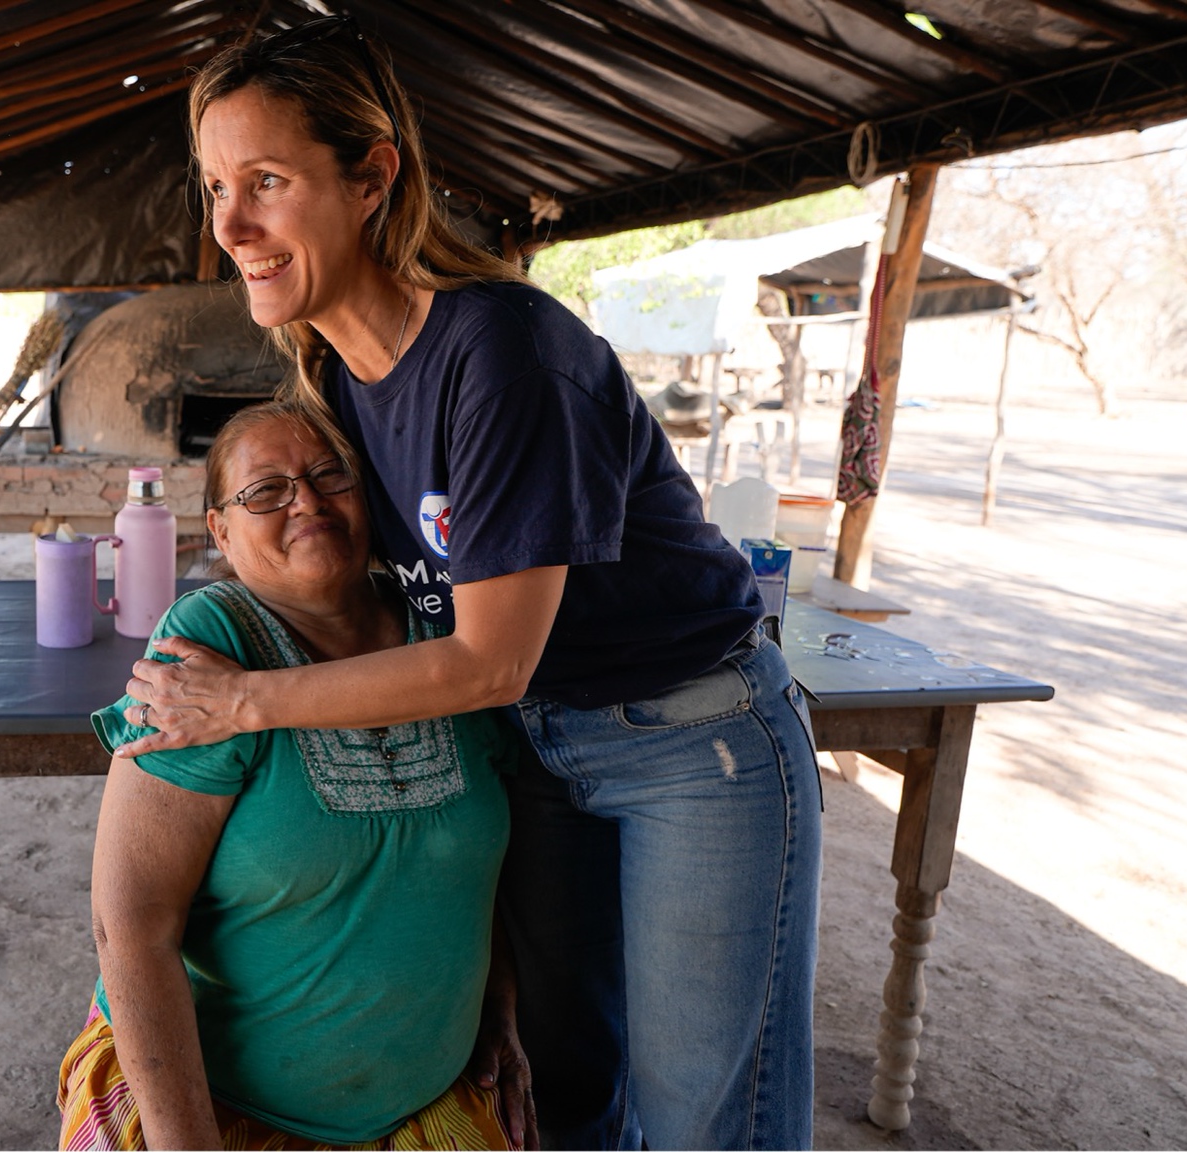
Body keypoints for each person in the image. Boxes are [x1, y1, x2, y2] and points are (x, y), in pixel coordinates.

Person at [116, 19, 823, 1151]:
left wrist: (240, 703)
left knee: (704, 1119)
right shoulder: (335, 376)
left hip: (690, 743)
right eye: (213, 188)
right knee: (561, 1089)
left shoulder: (500, 354)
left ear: (370, 176)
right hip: (533, 749)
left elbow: (488, 655)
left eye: (264, 181)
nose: (229, 227)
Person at [63, 401, 531, 1151]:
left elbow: (480, 872)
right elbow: (130, 924)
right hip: (208, 1108)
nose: (306, 501)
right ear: (219, 530)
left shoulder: (450, 643)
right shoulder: (207, 646)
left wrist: (499, 1007)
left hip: (425, 1100)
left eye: (329, 476)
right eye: (266, 490)